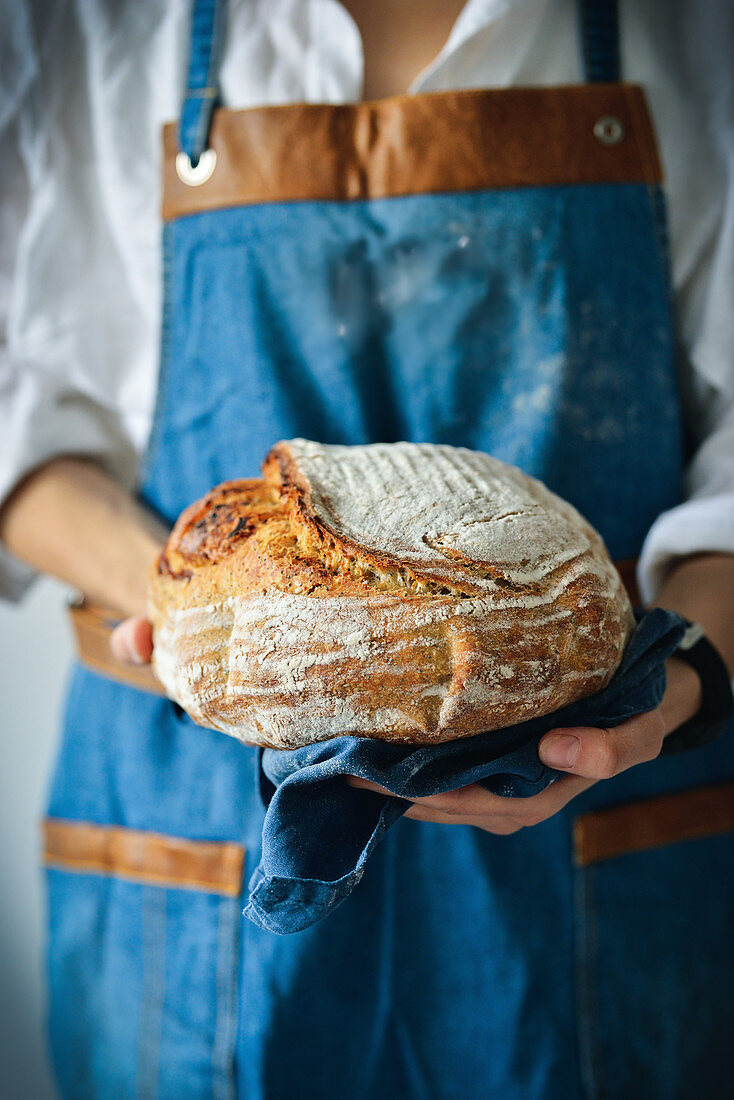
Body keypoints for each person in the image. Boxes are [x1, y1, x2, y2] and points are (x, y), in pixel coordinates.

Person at [1, 0, 733, 1095]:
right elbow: (20, 426)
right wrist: (204, 617)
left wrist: (676, 685)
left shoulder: (688, 32)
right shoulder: (93, 30)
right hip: (202, 826)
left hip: (594, 821)